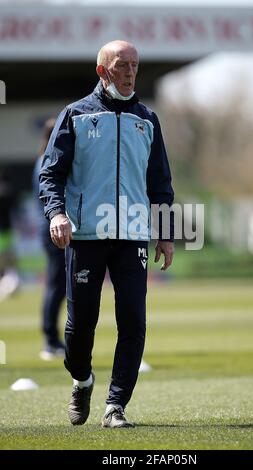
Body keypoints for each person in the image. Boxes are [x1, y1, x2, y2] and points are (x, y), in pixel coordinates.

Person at [39, 40, 174, 428]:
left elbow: (160, 181)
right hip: (84, 235)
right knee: (80, 324)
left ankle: (115, 406)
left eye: (135, 65)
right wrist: (56, 214)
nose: (131, 72)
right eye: (122, 65)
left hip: (133, 236)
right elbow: (51, 174)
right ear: (103, 70)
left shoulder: (148, 119)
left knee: (133, 321)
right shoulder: (75, 115)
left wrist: (164, 232)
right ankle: (82, 380)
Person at [33, 118, 66, 360]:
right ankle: (50, 340)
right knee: (56, 285)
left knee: (57, 285)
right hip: (52, 227)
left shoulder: (42, 159)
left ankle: (52, 338)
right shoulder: (47, 161)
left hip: (49, 227)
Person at [0, 169, 20, 301]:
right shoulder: (10, 192)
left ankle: (6, 284)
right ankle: (8, 283)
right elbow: (16, 206)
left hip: (5, 231)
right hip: (7, 230)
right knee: (8, 261)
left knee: (4, 262)